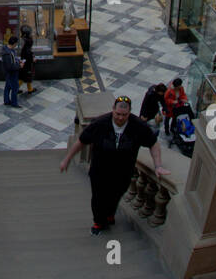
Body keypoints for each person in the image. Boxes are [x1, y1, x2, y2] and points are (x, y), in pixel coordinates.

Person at [59, 95, 168, 234]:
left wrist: (158, 165)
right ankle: (98, 222)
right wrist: (67, 159)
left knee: (116, 194)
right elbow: (82, 141)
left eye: (124, 115)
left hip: (123, 171)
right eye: (117, 114)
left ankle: (110, 213)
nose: (120, 118)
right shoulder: (100, 123)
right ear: (113, 110)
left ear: (129, 113)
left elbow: (153, 143)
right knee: (98, 197)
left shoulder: (138, 126)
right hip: (100, 170)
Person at [1, 33, 21, 107]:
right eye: (16, 44)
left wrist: (18, 61)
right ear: (14, 43)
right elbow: (10, 67)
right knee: (15, 87)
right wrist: (19, 66)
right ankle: (14, 103)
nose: (16, 45)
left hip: (9, 72)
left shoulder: (10, 50)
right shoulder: (7, 54)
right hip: (11, 73)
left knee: (8, 86)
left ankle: (6, 101)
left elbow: (14, 59)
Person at [19, 24, 37, 95]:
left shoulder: (25, 43)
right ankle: (16, 88)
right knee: (25, 76)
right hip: (27, 64)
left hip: (25, 63)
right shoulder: (27, 46)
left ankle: (30, 89)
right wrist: (32, 58)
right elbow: (28, 54)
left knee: (26, 77)